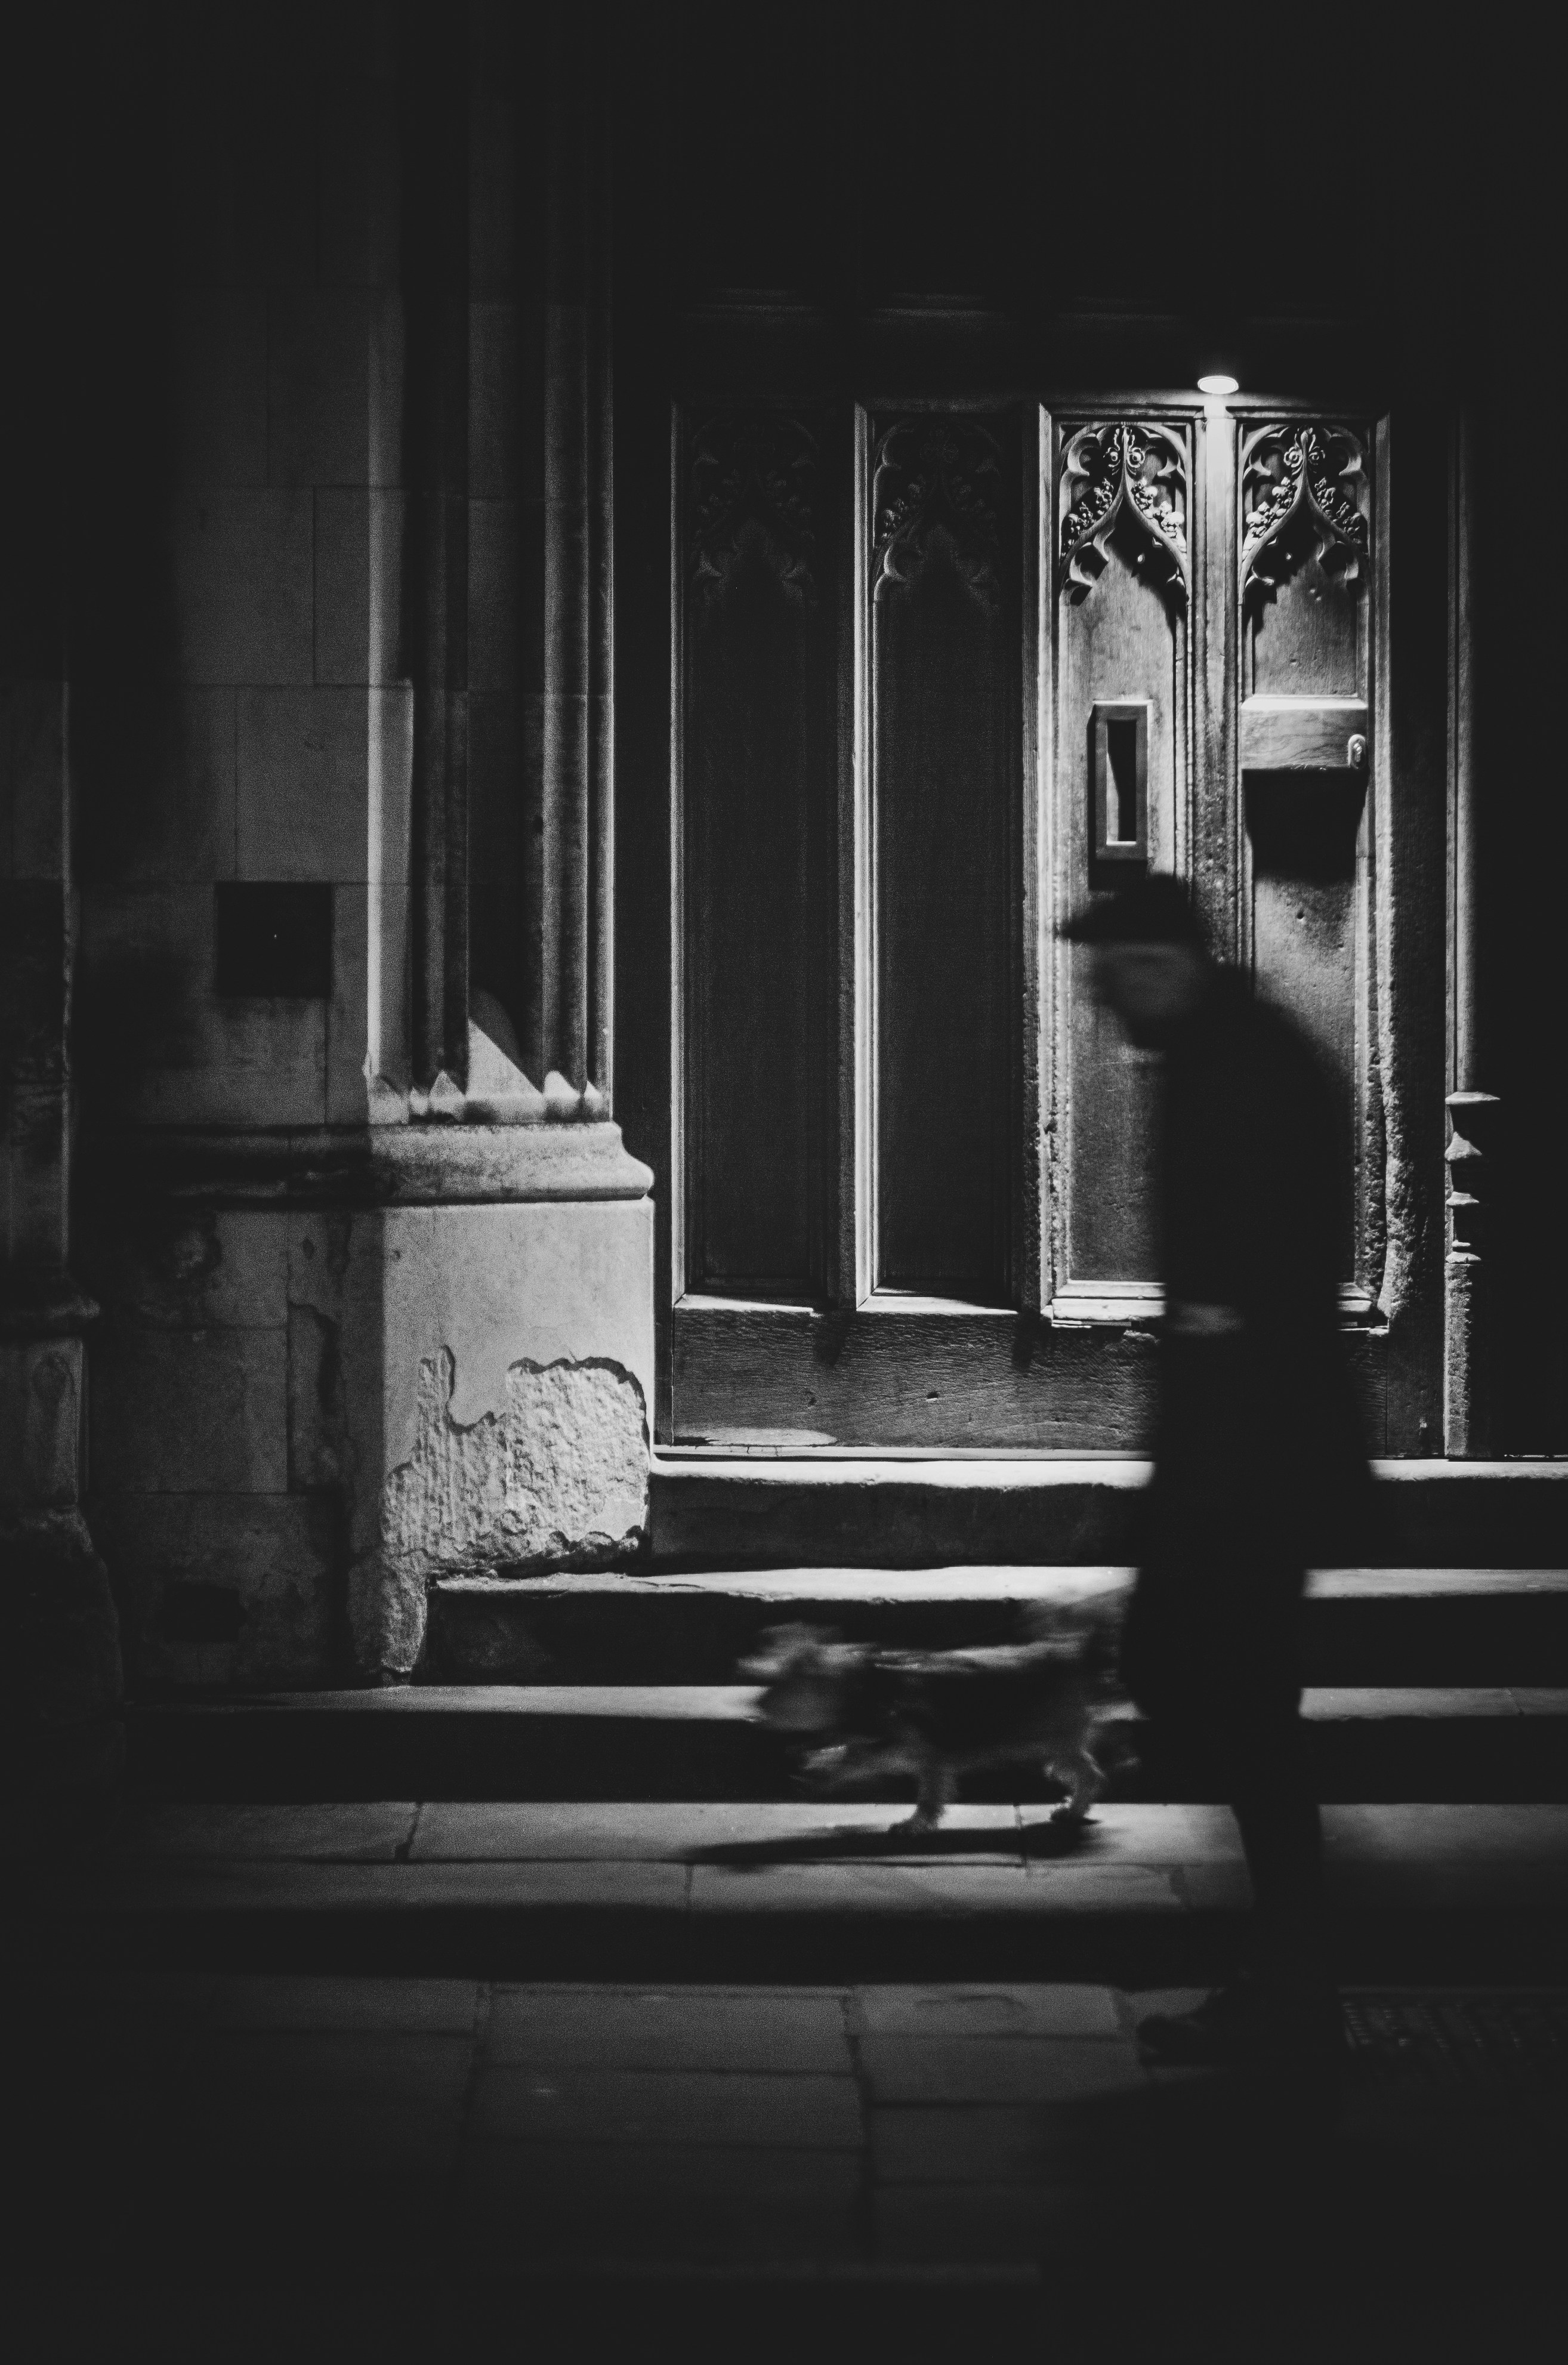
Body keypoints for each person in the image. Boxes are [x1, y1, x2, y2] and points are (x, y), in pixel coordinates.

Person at [1063, 873, 1371, 2066]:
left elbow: (1242, 1304)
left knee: (1239, 1712)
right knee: (1236, 1710)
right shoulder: (1237, 1050)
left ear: (1160, 963)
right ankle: (1288, 1972)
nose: (1106, 1007)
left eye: (1113, 979)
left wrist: (1188, 1486)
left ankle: (1294, 1983)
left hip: (1249, 1459)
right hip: (1247, 1450)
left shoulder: (1239, 1070)